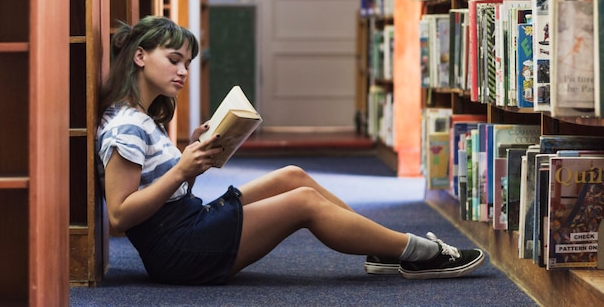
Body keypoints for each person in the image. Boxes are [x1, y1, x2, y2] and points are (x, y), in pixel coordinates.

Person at [96, 15, 485, 285]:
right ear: (140, 56)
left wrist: (192, 158)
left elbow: (158, 185)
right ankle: (421, 253)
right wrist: (182, 170)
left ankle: (382, 247)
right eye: (174, 60)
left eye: (187, 62)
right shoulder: (127, 125)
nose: (183, 71)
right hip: (178, 252)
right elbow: (120, 214)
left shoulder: (140, 117)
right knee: (303, 202)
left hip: (186, 223)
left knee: (292, 176)